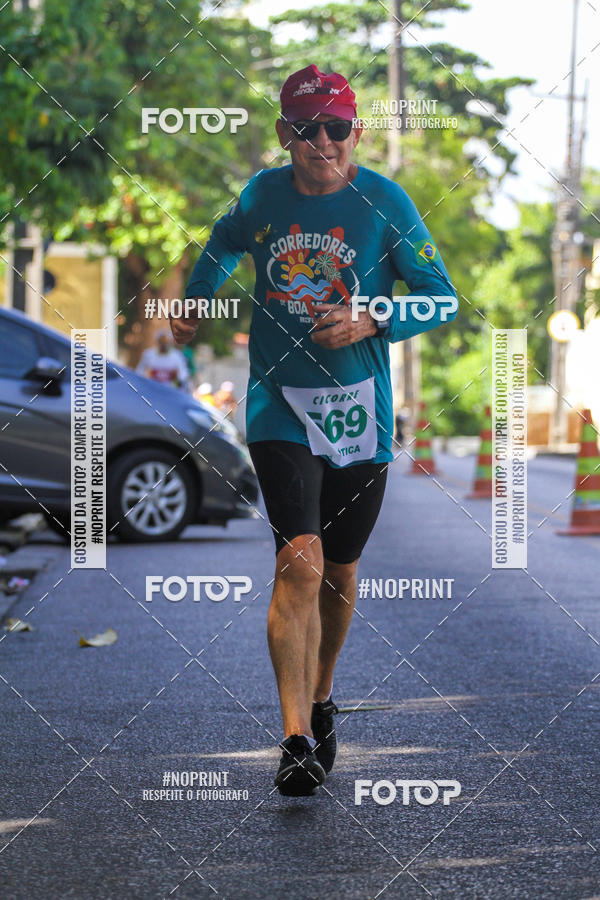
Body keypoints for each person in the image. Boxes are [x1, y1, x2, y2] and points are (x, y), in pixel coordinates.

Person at [170, 64, 458, 797]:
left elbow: (442, 298)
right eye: (306, 128)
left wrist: (374, 317)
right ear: (284, 133)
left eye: (335, 127)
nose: (321, 142)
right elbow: (222, 243)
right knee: (299, 561)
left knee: (339, 570)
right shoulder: (261, 196)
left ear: (356, 131)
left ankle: (323, 694)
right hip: (279, 406)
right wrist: (195, 300)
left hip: (360, 413)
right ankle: (295, 735)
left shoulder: (385, 203)